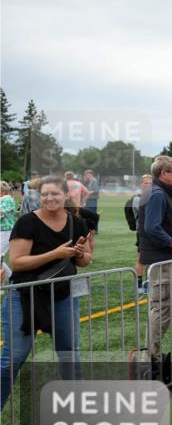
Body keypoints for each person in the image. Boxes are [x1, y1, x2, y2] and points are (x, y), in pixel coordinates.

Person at [2, 175, 93, 408]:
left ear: (65, 195)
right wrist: (55, 254)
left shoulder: (77, 223)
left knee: (70, 355)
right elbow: (18, 262)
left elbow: (85, 261)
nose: (49, 198)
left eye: (54, 194)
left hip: (63, 296)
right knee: (12, 359)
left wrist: (80, 253)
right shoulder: (27, 222)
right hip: (25, 295)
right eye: (45, 194)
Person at [138, 156, 172, 372]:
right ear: (163, 174)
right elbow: (152, 227)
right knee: (161, 308)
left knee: (164, 307)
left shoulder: (158, 193)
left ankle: (153, 355)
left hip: (162, 260)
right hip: (161, 260)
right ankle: (152, 358)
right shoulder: (157, 194)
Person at [126, 175, 153, 290]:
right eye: (145, 183)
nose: (147, 185)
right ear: (141, 184)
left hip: (150, 231)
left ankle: (148, 281)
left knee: (151, 259)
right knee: (141, 258)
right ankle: (139, 283)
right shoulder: (138, 199)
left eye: (150, 183)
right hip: (143, 232)